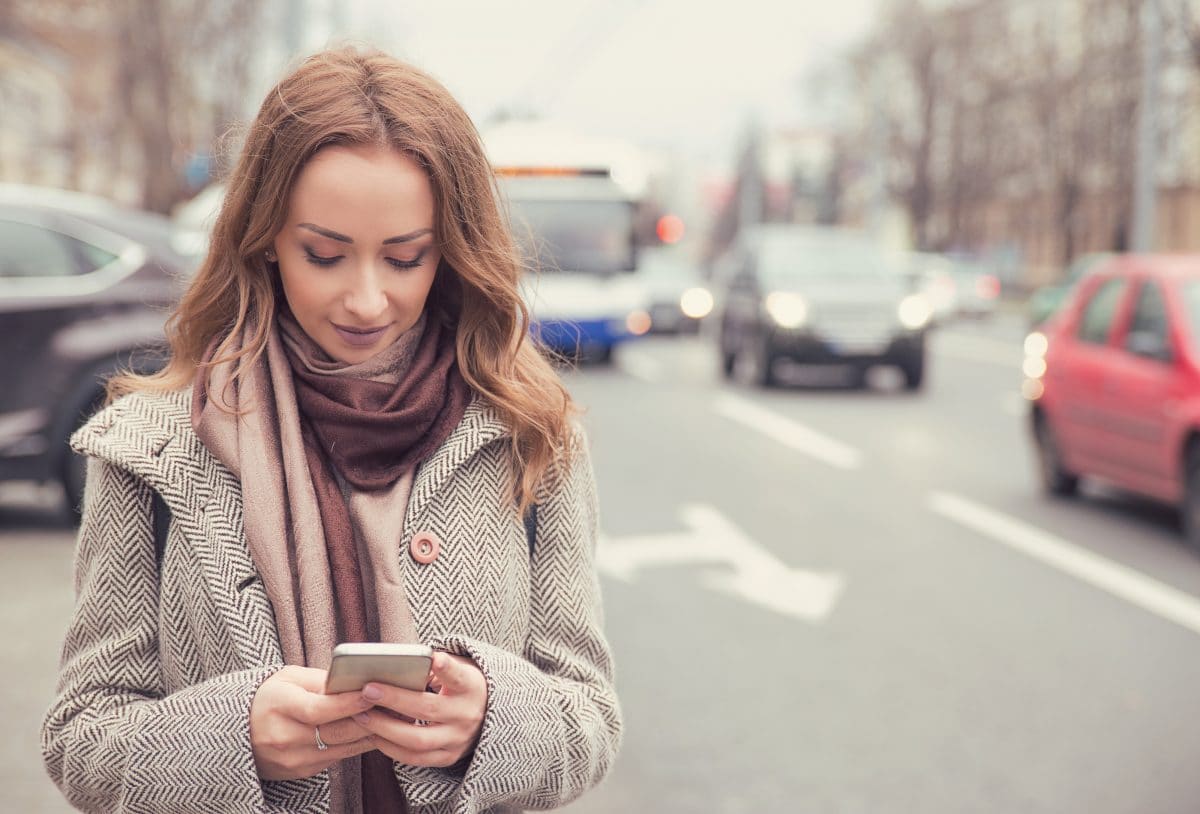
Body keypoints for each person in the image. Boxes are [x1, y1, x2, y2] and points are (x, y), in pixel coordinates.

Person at [41, 46, 622, 814]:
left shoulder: (529, 432)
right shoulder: (149, 445)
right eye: (324, 254)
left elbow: (591, 716)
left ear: (447, 253)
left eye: (405, 258)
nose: (367, 300)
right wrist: (232, 738)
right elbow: (80, 740)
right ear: (265, 240)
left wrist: (492, 722)